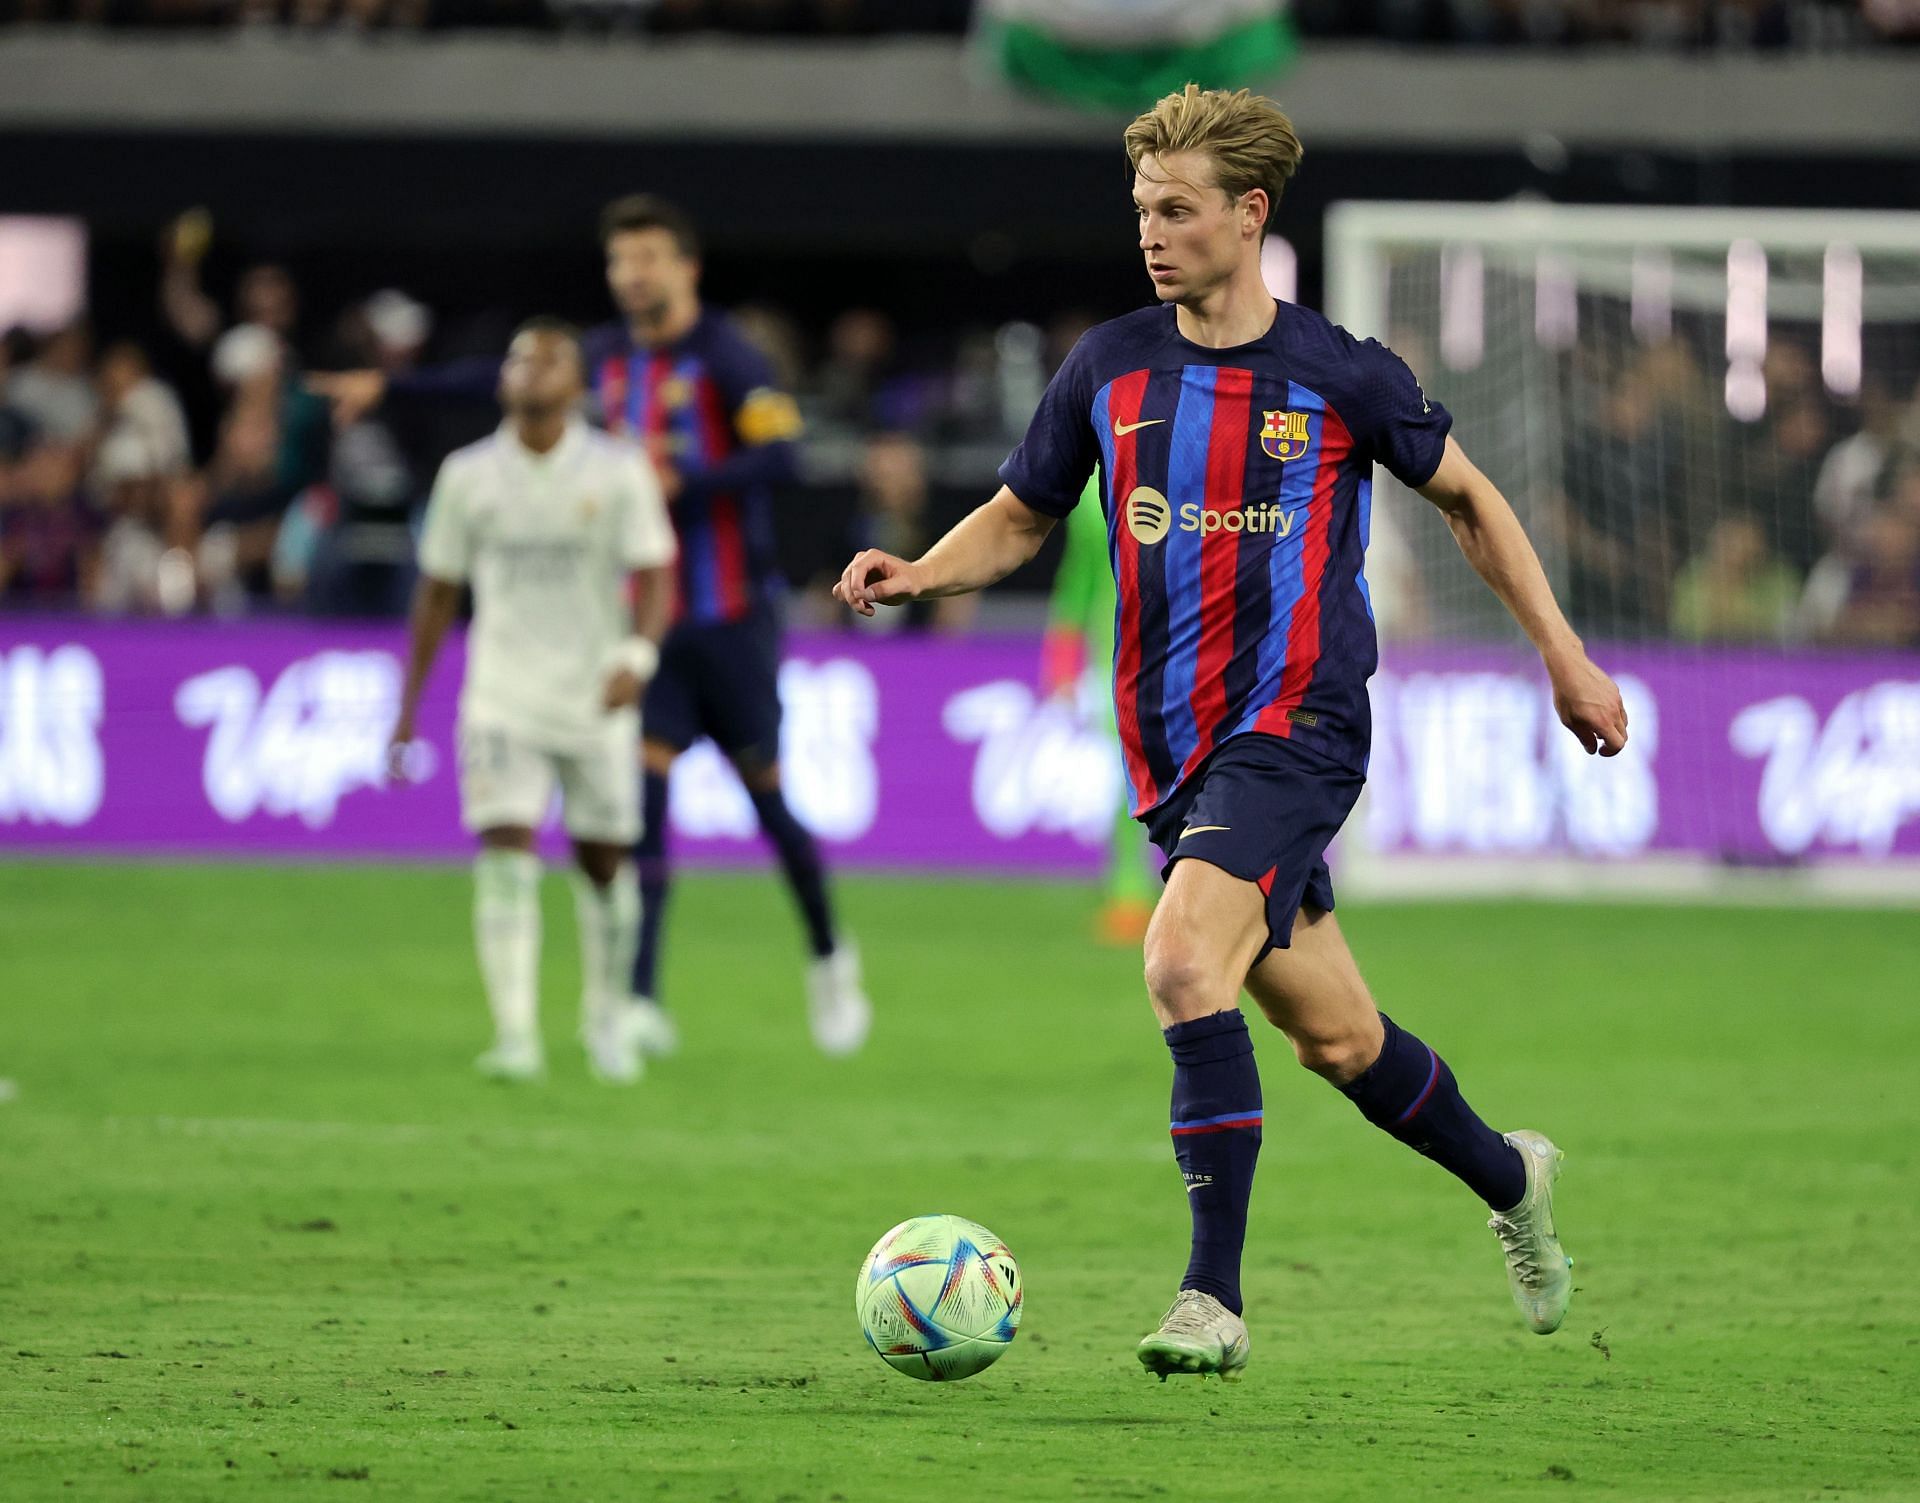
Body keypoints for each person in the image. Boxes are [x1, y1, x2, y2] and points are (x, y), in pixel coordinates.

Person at [834, 84, 1628, 1381]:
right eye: (1144, 208)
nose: (1153, 231)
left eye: (1180, 208)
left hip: (1299, 727)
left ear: (1249, 214)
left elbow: (1472, 500)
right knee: (1339, 1038)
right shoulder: (1110, 366)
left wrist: (1565, 653)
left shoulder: (1338, 372)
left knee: (1180, 965)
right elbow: (1026, 512)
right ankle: (1512, 1175)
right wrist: (919, 570)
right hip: (1172, 753)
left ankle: (1212, 1293)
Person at [313, 196, 872, 1060]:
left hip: (727, 613)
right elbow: (497, 380)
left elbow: (783, 450)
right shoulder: (601, 359)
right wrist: (390, 385)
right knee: (637, 807)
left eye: (648, 257)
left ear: (685, 267)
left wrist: (691, 477)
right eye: (620, 261)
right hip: (639, 625)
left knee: (767, 799)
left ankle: (829, 955)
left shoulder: (726, 356)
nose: (631, 275)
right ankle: (639, 996)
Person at [388, 319, 677, 1084]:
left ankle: (606, 1014)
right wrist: (407, 705)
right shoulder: (468, 475)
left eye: (549, 359)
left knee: (604, 865)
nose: (530, 369)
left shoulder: (618, 471)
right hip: (501, 695)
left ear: (577, 384)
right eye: (518, 356)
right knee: (505, 856)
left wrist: (638, 655)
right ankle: (515, 1033)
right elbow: (439, 590)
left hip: (594, 697)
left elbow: (655, 577)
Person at [1042, 472, 1160, 943]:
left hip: (1185, 647)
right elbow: (1080, 576)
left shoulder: (1184, 463)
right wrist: (1062, 658)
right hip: (1112, 653)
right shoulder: (1089, 490)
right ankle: (1128, 891)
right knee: (1127, 778)